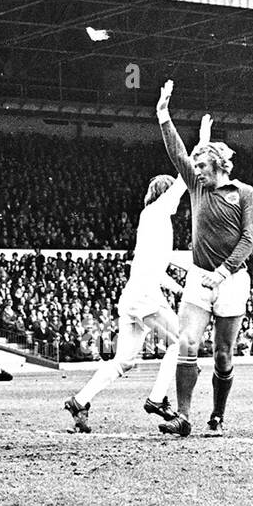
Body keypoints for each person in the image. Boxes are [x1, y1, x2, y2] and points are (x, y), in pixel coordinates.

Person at [154, 81, 253, 436]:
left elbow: (249, 239)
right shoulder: (196, 186)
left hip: (231, 281)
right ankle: (183, 415)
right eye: (195, 165)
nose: (194, 170)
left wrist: (224, 272)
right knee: (187, 341)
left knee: (222, 356)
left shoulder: (244, 193)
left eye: (201, 165)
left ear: (218, 165)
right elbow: (177, 153)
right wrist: (163, 115)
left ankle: (217, 414)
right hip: (199, 278)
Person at [64, 166, 196, 433]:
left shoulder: (152, 221)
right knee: (180, 343)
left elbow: (158, 271)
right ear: (164, 193)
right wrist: (201, 143)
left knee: (122, 361)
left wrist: (182, 290)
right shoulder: (157, 212)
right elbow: (184, 178)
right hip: (145, 296)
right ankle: (157, 399)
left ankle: (80, 401)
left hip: (134, 296)